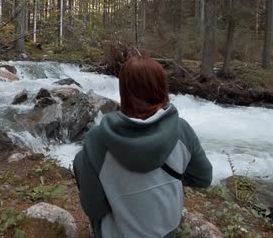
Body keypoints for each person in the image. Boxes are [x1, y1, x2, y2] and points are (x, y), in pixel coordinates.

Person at [73, 56, 213, 237]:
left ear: (124, 91)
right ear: (162, 88)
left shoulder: (96, 141)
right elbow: (203, 178)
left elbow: (94, 209)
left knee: (80, 160)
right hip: (167, 232)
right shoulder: (181, 130)